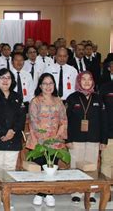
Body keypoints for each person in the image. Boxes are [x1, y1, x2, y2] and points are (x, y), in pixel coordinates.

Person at [0, 68, 26, 208]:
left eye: (8, 78)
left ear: (12, 80)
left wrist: (12, 131)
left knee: (9, 169)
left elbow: (21, 117)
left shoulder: (17, 96)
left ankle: (5, 198)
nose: (5, 80)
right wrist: (5, 132)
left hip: (13, 139)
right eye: (2, 78)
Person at [65, 71, 107, 204]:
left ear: (93, 82)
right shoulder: (72, 98)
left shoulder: (98, 98)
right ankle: (76, 191)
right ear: (79, 81)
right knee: (75, 165)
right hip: (75, 139)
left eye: (89, 79)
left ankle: (91, 191)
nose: (87, 82)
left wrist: (103, 140)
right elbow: (66, 121)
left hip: (94, 139)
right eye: (84, 79)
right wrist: (68, 139)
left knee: (91, 166)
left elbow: (103, 121)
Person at [26, 73, 67, 207]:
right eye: (45, 83)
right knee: (40, 167)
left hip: (55, 141)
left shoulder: (58, 101)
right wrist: (43, 139)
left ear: (54, 86)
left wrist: (57, 136)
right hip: (39, 141)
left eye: (51, 83)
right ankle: (39, 193)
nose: (48, 86)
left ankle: (49, 193)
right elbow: (33, 121)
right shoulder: (35, 101)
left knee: (51, 168)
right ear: (40, 86)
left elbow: (63, 120)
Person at [100, 80, 113, 176]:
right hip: (109, 135)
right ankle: (107, 189)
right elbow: (101, 112)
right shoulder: (105, 87)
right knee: (107, 162)